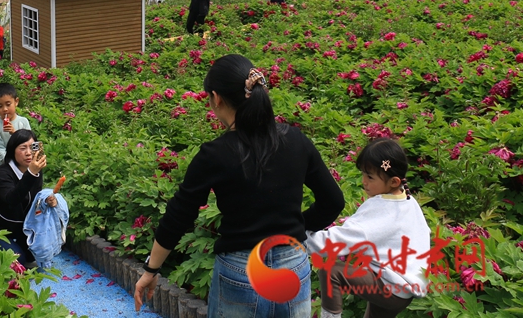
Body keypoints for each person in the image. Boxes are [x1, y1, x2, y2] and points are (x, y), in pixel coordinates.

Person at [134, 54, 344, 315]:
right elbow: (333, 201)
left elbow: (179, 215)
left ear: (216, 98)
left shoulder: (214, 154)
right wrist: (295, 227)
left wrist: (151, 269)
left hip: (240, 271)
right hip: (293, 265)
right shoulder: (295, 139)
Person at [305, 139, 430, 318]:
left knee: (331, 271)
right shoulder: (408, 200)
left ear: (394, 181)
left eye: (370, 177)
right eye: (363, 174)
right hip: (404, 287)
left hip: (391, 286)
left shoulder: (383, 209)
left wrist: (299, 240)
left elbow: (341, 240)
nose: (364, 181)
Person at [0, 129, 57, 264]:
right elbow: (11, 199)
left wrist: (47, 200)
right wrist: (31, 174)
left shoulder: (36, 171)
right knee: (17, 260)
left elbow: (34, 198)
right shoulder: (3, 173)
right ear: (12, 151)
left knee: (37, 253)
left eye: (32, 147)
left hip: (16, 226)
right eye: (23, 148)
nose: (28, 153)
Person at [0, 83, 32, 169]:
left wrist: (15, 133)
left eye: (8, 104)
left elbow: (29, 143)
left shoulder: (23, 122)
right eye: (0, 106)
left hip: (23, 166)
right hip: (3, 168)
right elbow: (0, 151)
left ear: (16, 102)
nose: (5, 109)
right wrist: (15, 165)